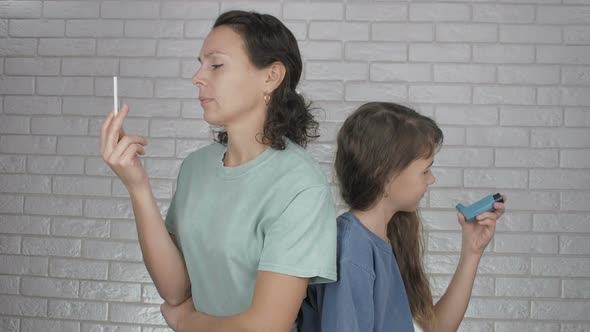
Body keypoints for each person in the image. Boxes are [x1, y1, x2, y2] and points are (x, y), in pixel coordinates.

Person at [100, 10, 337, 332]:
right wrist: (137, 188)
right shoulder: (195, 168)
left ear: (271, 76)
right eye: (200, 64)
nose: (198, 77)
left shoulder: (300, 186)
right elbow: (175, 290)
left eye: (216, 65)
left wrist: (186, 322)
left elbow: (266, 326)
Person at [298, 102, 506, 332]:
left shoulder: (386, 237)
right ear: (385, 175)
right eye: (425, 171)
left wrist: (472, 251)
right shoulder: (352, 252)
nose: (432, 179)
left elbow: (435, 329)